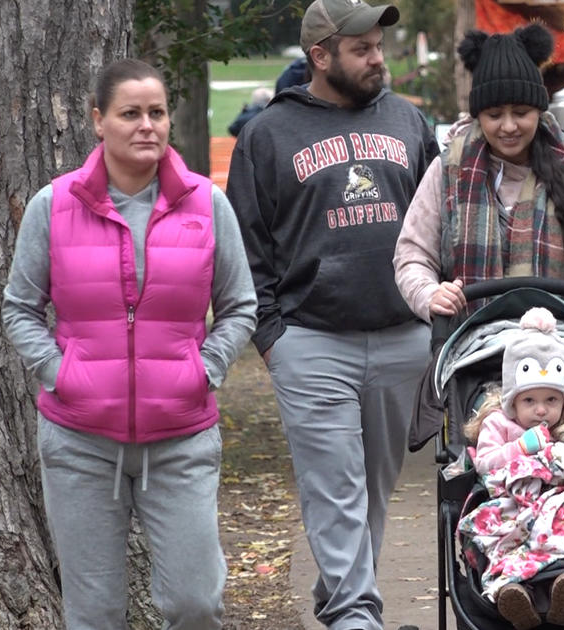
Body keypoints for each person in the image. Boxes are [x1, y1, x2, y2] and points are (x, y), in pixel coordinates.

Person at [1, 58, 257, 629]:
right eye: (130, 113)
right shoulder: (55, 205)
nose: (147, 125)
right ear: (98, 120)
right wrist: (62, 373)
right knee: (93, 612)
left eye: (158, 113)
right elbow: (20, 309)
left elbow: (240, 307)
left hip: (182, 438)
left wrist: (203, 370)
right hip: (79, 442)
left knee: (195, 603)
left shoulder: (206, 204)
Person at [224, 0, 440, 628]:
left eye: (379, 46)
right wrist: (272, 336)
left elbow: (437, 226)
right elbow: (246, 241)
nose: (378, 59)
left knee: (372, 490)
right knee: (333, 489)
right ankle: (355, 615)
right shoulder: (267, 135)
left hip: (404, 335)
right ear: (321, 56)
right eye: (362, 49)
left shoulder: (407, 120)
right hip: (312, 340)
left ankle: (343, 597)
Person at [392, 23, 564, 441]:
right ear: (478, 114)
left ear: (539, 110)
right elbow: (412, 254)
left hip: (562, 349)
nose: (508, 126)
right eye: (494, 115)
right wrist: (429, 293)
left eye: (521, 113)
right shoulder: (448, 172)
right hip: (477, 349)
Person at [458, 307, 564, 630]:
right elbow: (485, 462)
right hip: (513, 505)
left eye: (551, 400)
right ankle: (513, 594)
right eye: (529, 401)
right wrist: (520, 449)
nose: (541, 410)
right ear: (512, 402)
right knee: (488, 530)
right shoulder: (498, 423)